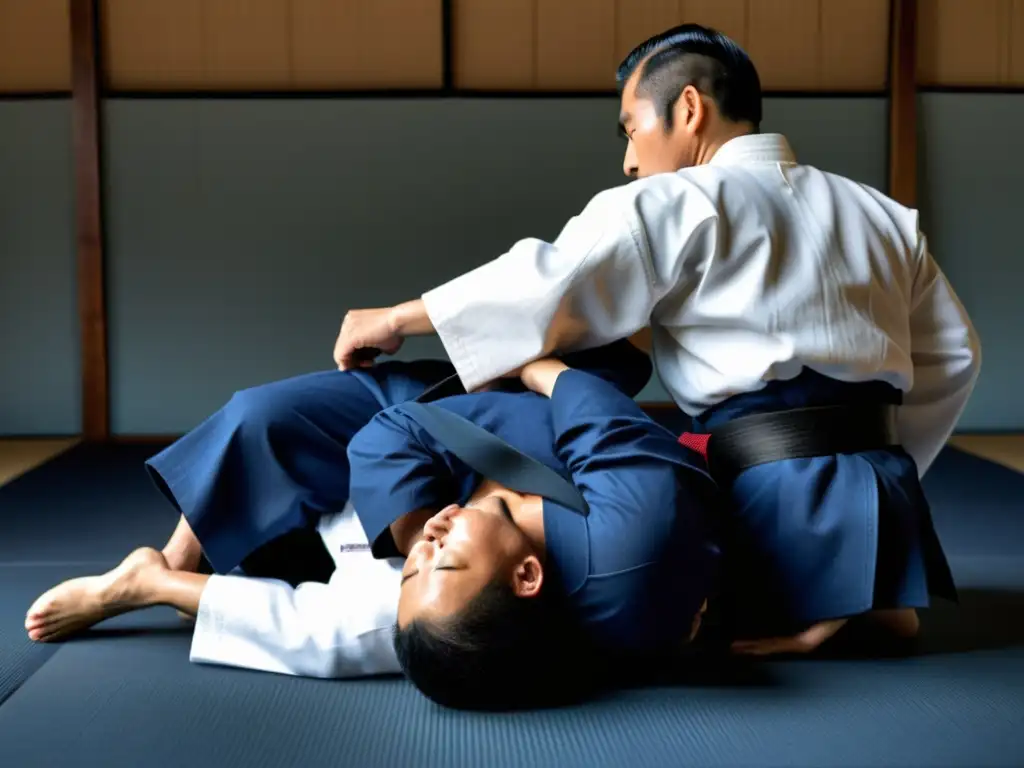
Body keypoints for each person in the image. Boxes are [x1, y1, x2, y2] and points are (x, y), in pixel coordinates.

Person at [331, 24, 981, 655]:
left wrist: (396, 318)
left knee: (638, 598)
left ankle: (813, 593)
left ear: (689, 109)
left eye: (632, 127)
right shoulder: (883, 214)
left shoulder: (677, 200)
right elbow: (954, 357)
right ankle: (871, 587)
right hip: (882, 488)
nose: (629, 158)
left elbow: (546, 280)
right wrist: (889, 464)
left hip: (766, 493)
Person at [25, 340, 720, 710]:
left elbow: (411, 591)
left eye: (420, 558)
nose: (431, 545)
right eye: (433, 557)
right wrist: (521, 358)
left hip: (421, 456)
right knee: (257, 416)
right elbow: (588, 403)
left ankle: (155, 582)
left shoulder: (470, 614)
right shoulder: (634, 537)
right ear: (528, 573)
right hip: (466, 404)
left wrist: (419, 553)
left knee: (360, 631)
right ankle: (182, 559)